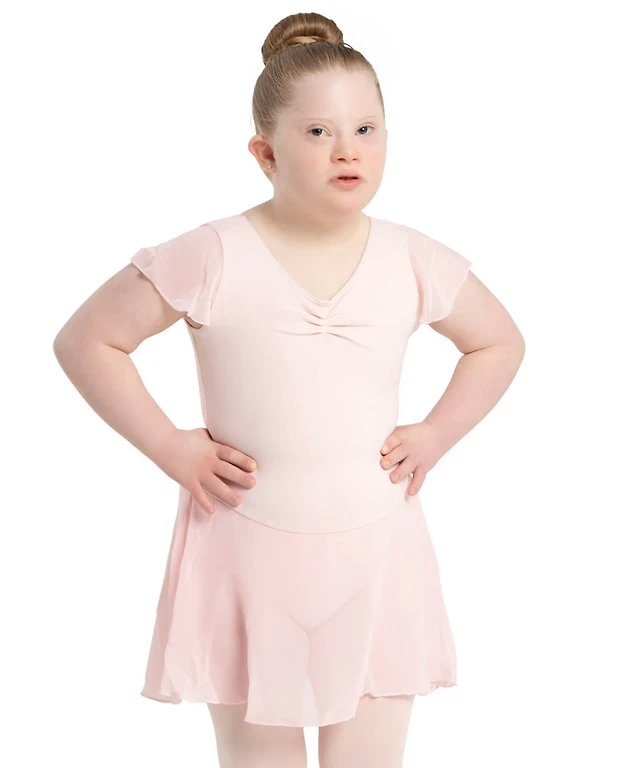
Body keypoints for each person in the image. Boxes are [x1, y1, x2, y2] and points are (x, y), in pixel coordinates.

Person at [53, 11, 525, 768]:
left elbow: (498, 341)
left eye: (366, 130)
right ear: (265, 152)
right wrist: (170, 447)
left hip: (377, 557)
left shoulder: (413, 258)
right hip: (245, 558)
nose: (348, 150)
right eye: (318, 133)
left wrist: (436, 433)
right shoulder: (212, 254)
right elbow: (88, 341)